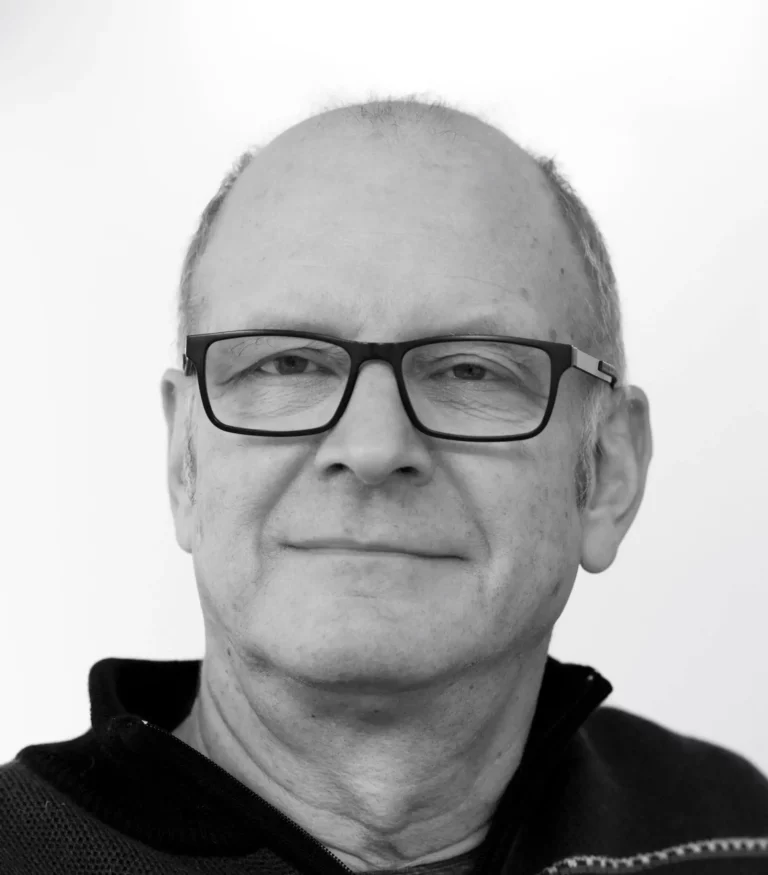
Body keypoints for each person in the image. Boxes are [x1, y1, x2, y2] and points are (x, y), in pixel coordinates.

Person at [1, 98, 767, 875]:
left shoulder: (739, 834)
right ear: (183, 460)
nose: (372, 448)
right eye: (287, 363)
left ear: (607, 471)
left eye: (471, 369)